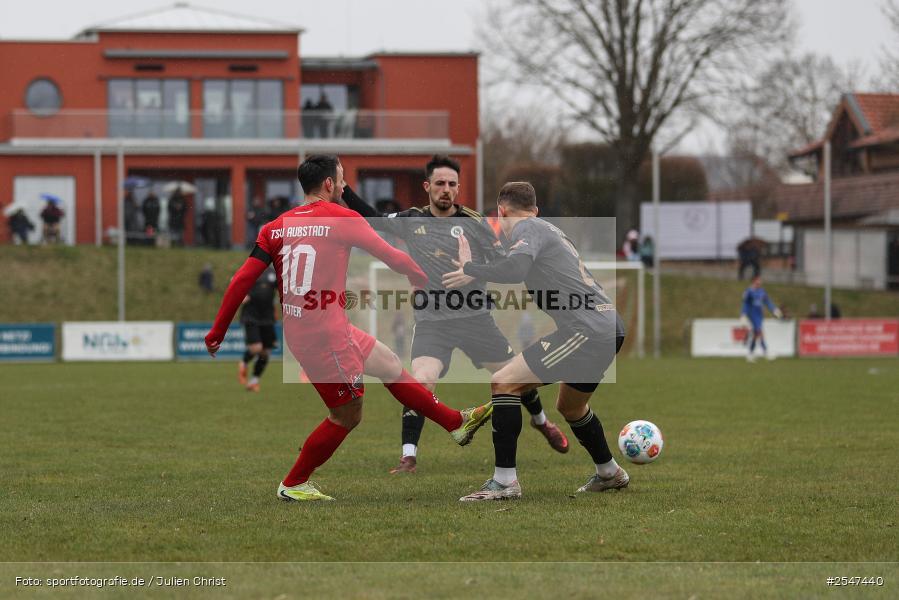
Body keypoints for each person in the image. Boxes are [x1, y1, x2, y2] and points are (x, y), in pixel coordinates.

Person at [204, 154, 493, 502]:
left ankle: (454, 423)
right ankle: (294, 482)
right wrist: (418, 276)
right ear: (329, 184)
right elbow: (392, 256)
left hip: (311, 328)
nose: (344, 186)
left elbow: (242, 279)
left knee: (387, 363)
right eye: (341, 180)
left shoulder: (276, 226)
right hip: (325, 335)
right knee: (346, 414)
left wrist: (218, 330)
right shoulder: (343, 218)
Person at [341, 155, 568, 475]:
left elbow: (505, 263)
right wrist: (345, 191)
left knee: (515, 377)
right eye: (439, 184)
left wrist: (471, 272)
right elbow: (374, 219)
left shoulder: (476, 224)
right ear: (427, 187)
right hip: (433, 322)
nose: (446, 189)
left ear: (458, 187)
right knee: (421, 383)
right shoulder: (411, 220)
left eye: (451, 184)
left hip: (476, 320)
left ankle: (541, 422)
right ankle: (408, 457)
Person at [443, 181, 627, 501]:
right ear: (535, 208)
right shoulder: (545, 229)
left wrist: (471, 268)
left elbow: (515, 269)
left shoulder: (528, 229)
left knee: (504, 383)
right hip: (606, 325)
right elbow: (510, 261)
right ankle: (610, 473)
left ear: (501, 211)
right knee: (570, 406)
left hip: (587, 330)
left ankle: (505, 482)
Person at [238, 267, 279, 393]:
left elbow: (282, 289)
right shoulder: (250, 269)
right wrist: (241, 294)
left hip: (267, 317)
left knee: (265, 352)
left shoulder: (273, 272)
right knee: (256, 348)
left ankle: (254, 381)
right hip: (251, 315)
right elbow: (236, 283)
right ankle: (244, 363)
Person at [740, 275, 782, 363]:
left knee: (756, 334)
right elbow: (745, 304)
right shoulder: (749, 291)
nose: (760, 282)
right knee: (759, 331)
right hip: (752, 314)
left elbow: (768, 302)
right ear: (754, 281)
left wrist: (774, 310)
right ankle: (766, 352)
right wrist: (743, 314)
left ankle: (750, 354)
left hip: (759, 315)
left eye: (760, 280)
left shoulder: (762, 291)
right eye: (758, 280)